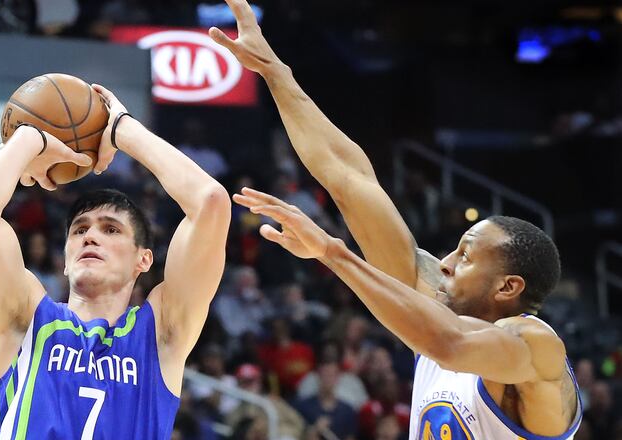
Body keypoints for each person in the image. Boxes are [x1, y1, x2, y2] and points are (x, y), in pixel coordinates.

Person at [214, 0, 582, 438]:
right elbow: (349, 178)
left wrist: (333, 253)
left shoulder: (537, 348)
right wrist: (276, 73)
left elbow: (449, 344)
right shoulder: (433, 300)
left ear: (508, 287)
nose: (444, 262)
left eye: (465, 257)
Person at [0, 84, 230, 438]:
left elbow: (211, 203)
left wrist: (122, 130)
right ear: (65, 260)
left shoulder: (160, 334)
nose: (90, 236)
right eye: (79, 230)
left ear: (142, 260)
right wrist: (30, 139)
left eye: (111, 230)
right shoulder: (26, 319)